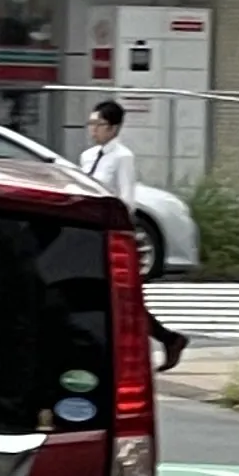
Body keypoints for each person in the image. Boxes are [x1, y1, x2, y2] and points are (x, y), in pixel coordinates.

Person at [79, 96, 186, 371]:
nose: (93, 129)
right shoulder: (87, 156)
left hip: (108, 233)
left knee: (119, 299)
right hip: (87, 233)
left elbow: (127, 200)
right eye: (91, 123)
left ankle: (166, 339)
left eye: (98, 124)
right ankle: (167, 339)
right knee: (107, 298)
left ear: (113, 128)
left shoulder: (122, 157)